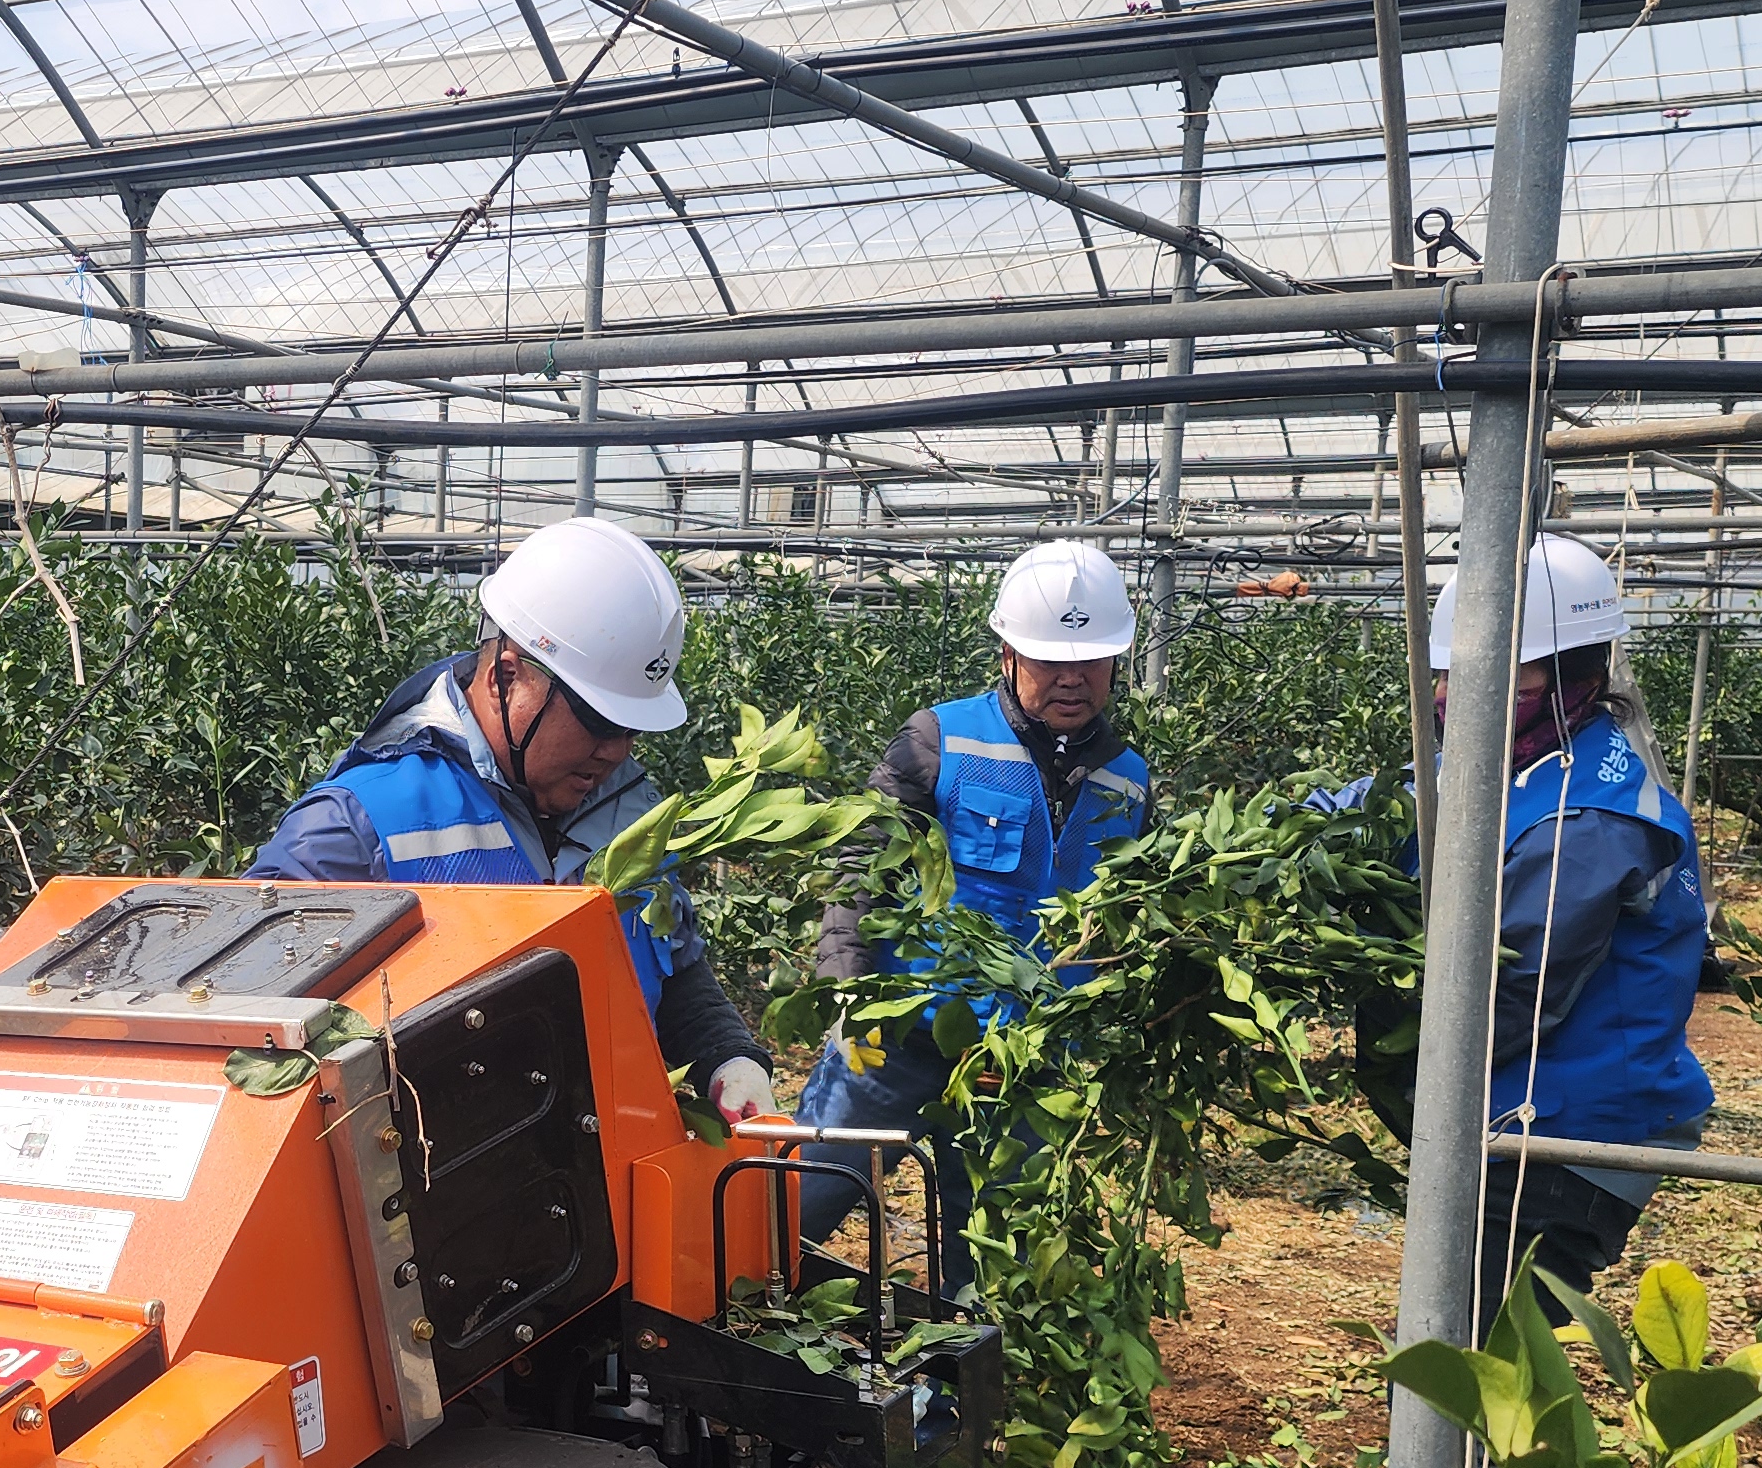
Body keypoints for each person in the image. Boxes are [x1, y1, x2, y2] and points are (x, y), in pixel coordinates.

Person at [246, 516, 775, 1122]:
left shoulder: (627, 816)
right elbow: (250, 1033)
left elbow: (671, 966)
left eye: (633, 728)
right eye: (599, 720)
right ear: (506, 675)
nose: (616, 750)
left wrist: (727, 1055)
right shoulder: (359, 826)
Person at [789, 541, 1156, 1295]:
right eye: (1050, 658)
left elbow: (1126, 920)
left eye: (1090, 662)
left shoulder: (1131, 779)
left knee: (990, 1257)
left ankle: (954, 1410)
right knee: (794, 1205)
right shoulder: (941, 740)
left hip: (1021, 1065)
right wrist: (847, 992)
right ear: (1006, 652)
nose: (1071, 679)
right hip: (898, 1039)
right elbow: (863, 868)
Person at [1433, 529, 1716, 1312]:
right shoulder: (1522, 757)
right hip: (1530, 1108)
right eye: (1451, 671)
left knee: (1472, 1345)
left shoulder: (1588, 821)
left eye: (1495, 675)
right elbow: (1396, 805)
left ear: (1575, 679)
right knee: (1458, 1342)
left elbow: (1505, 997)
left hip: (1572, 1132)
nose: (1456, 695)